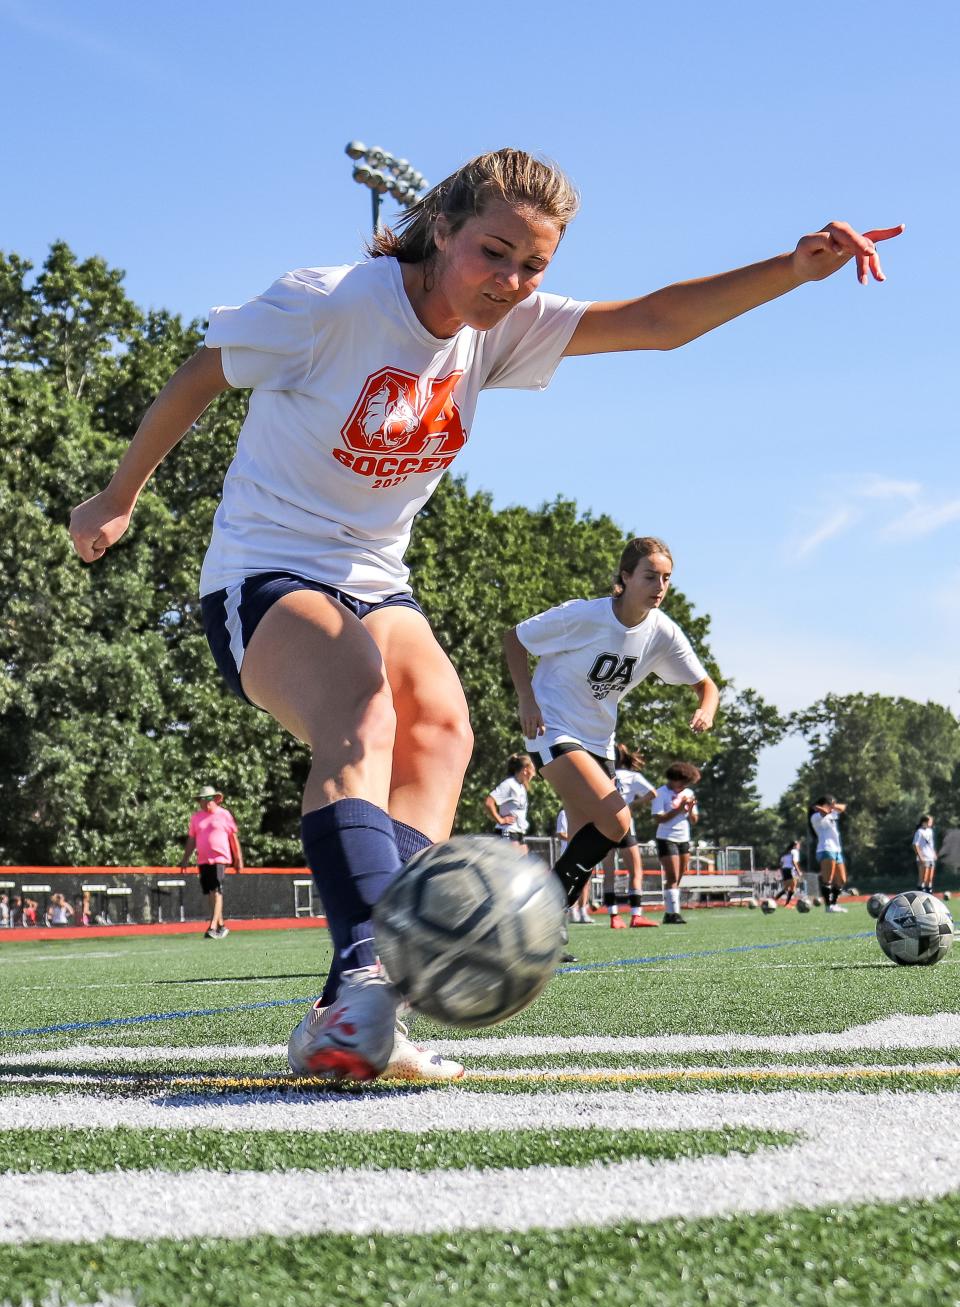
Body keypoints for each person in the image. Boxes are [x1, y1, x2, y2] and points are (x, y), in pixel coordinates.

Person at [68, 146, 900, 1084]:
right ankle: (367, 975)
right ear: (441, 230)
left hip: (377, 578)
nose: (510, 281)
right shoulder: (334, 300)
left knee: (444, 731)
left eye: (533, 265)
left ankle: (367, 1001)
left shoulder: (500, 328)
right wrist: (117, 493)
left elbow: (661, 323)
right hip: (266, 570)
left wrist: (790, 269)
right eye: (493, 253)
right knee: (362, 707)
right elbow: (204, 371)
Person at [503, 536, 718, 921]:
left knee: (585, 837)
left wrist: (706, 708)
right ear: (625, 577)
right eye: (650, 577)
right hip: (553, 727)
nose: (660, 588)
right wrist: (526, 699)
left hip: (600, 741)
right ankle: (541, 910)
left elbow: (707, 686)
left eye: (667, 579)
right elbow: (515, 639)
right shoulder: (584, 616)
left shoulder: (663, 632)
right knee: (618, 821)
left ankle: (546, 927)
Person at [602, 744, 657, 929]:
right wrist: (633, 805)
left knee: (608, 874)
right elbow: (653, 793)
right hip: (624, 826)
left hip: (603, 826)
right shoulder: (632, 776)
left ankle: (613, 917)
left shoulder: (601, 775)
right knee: (636, 871)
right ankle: (635, 915)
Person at [180, 786, 244, 939]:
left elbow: (233, 838)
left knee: (216, 890)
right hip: (203, 860)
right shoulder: (196, 817)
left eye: (207, 799)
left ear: (214, 799)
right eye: (202, 800)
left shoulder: (224, 815)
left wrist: (238, 859)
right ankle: (221, 925)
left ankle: (212, 926)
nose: (205, 802)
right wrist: (185, 859)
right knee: (210, 892)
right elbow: (191, 840)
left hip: (220, 859)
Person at [651, 762, 702, 926]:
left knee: (679, 876)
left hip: (684, 837)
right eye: (682, 782)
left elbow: (694, 820)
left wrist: (690, 809)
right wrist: (679, 809)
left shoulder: (689, 792)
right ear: (673, 779)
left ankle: (670, 912)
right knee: (671, 876)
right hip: (666, 837)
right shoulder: (661, 793)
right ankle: (673, 913)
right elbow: (658, 818)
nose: (684, 786)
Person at [484, 754, 534, 849]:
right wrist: (500, 820)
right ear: (525, 770)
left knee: (522, 859)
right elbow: (489, 802)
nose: (534, 774)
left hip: (518, 833)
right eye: (533, 770)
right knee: (510, 862)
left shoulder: (521, 787)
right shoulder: (509, 784)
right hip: (507, 832)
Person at [808, 795, 849, 912]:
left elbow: (843, 807)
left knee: (841, 880)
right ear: (823, 805)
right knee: (828, 879)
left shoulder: (832, 813)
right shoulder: (815, 816)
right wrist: (820, 808)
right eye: (830, 804)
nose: (832, 807)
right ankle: (828, 906)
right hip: (826, 849)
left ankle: (834, 904)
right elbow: (824, 812)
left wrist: (832, 805)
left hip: (837, 850)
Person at [913, 814, 936, 894]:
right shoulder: (919, 832)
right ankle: (920, 894)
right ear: (924, 822)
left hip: (930, 857)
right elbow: (915, 845)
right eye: (930, 821)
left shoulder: (930, 831)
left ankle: (929, 893)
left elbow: (931, 844)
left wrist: (934, 853)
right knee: (923, 878)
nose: (931, 823)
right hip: (923, 857)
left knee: (930, 878)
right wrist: (920, 856)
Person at [777, 839, 803, 904]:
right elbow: (794, 862)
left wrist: (782, 872)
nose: (799, 846)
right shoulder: (795, 851)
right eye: (798, 845)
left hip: (784, 870)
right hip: (790, 870)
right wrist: (798, 871)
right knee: (792, 888)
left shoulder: (786, 853)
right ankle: (786, 903)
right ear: (795, 846)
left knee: (786, 888)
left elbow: (781, 863)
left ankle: (776, 900)